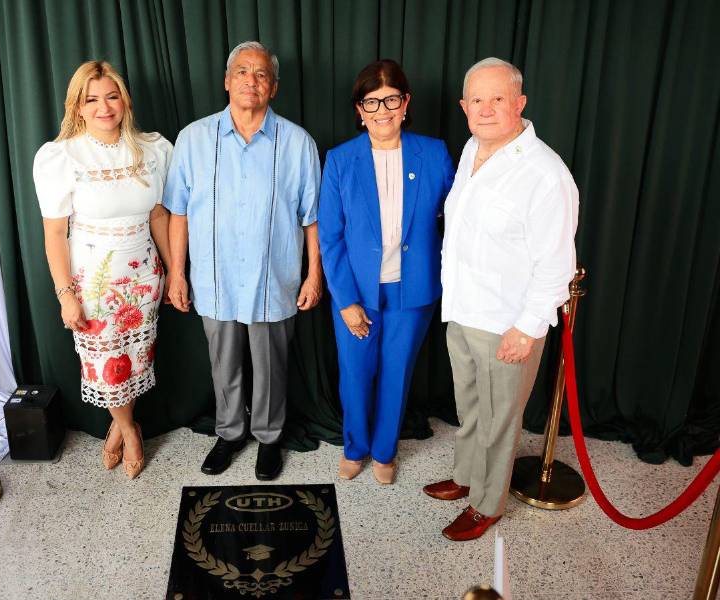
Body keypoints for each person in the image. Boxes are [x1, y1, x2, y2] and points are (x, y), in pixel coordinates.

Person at [424, 57, 578, 540]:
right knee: (471, 408)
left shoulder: (545, 172)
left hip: (506, 323)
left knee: (499, 420)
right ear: (464, 106)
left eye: (498, 99)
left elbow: (556, 262)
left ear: (520, 104)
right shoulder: (473, 148)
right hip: (464, 310)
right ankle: (468, 476)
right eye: (477, 99)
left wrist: (528, 327)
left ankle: (487, 503)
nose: (486, 109)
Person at [164, 41, 322, 480]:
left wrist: (313, 275)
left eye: (260, 75)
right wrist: (177, 272)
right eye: (242, 72)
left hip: (275, 279)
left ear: (272, 87)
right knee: (224, 362)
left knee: (271, 366)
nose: (250, 81)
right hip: (215, 279)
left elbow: (313, 219)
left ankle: (270, 437)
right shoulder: (193, 139)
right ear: (226, 81)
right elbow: (178, 211)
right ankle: (230, 431)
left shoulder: (297, 142)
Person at [33, 60, 173, 479]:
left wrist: (175, 271)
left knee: (135, 356)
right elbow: (55, 233)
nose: (103, 107)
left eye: (111, 96)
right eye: (91, 99)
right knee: (105, 363)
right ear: (77, 107)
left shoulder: (153, 148)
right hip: (92, 281)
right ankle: (130, 430)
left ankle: (119, 422)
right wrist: (65, 294)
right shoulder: (60, 156)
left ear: (124, 100)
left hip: (144, 275)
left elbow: (160, 217)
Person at [318, 60, 455, 484]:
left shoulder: (434, 153)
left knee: (396, 374)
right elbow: (331, 237)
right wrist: (345, 301)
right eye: (371, 102)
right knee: (356, 375)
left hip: (411, 292)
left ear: (405, 102)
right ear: (359, 109)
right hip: (356, 292)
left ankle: (384, 451)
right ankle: (355, 446)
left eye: (391, 99)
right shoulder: (340, 160)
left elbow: (459, 217)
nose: (382, 110)